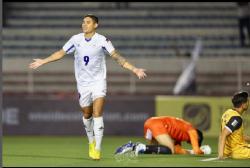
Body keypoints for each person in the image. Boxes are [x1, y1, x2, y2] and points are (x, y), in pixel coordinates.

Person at [29, 14, 147, 160]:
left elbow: (117, 57)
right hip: (83, 84)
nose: (84, 24)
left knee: (97, 113)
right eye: (83, 22)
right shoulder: (76, 39)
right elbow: (61, 52)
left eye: (88, 22)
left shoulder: (102, 40)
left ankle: (97, 148)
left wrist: (134, 69)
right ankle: (91, 141)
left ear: (95, 25)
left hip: (98, 82)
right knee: (87, 114)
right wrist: (43, 61)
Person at [115, 116, 211, 156]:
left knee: (153, 148)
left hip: (149, 123)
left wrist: (191, 152)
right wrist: (203, 150)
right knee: (169, 150)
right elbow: (197, 150)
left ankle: (131, 147)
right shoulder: (192, 130)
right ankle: (136, 146)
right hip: (157, 125)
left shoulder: (182, 133)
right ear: (198, 137)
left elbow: (178, 150)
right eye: (198, 140)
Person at [218, 91, 250, 159]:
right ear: (242, 104)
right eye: (247, 101)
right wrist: (220, 155)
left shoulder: (228, 112)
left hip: (230, 150)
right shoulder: (236, 118)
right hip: (238, 151)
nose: (248, 103)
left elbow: (235, 136)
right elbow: (224, 134)